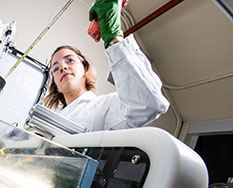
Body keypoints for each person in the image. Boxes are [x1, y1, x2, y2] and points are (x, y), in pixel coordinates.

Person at [43, 0, 169, 132]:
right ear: (56, 85)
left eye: (69, 60)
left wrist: (113, 37)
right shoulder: (49, 119)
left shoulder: (103, 107)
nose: (63, 67)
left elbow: (149, 104)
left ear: (85, 68)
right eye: (55, 68)